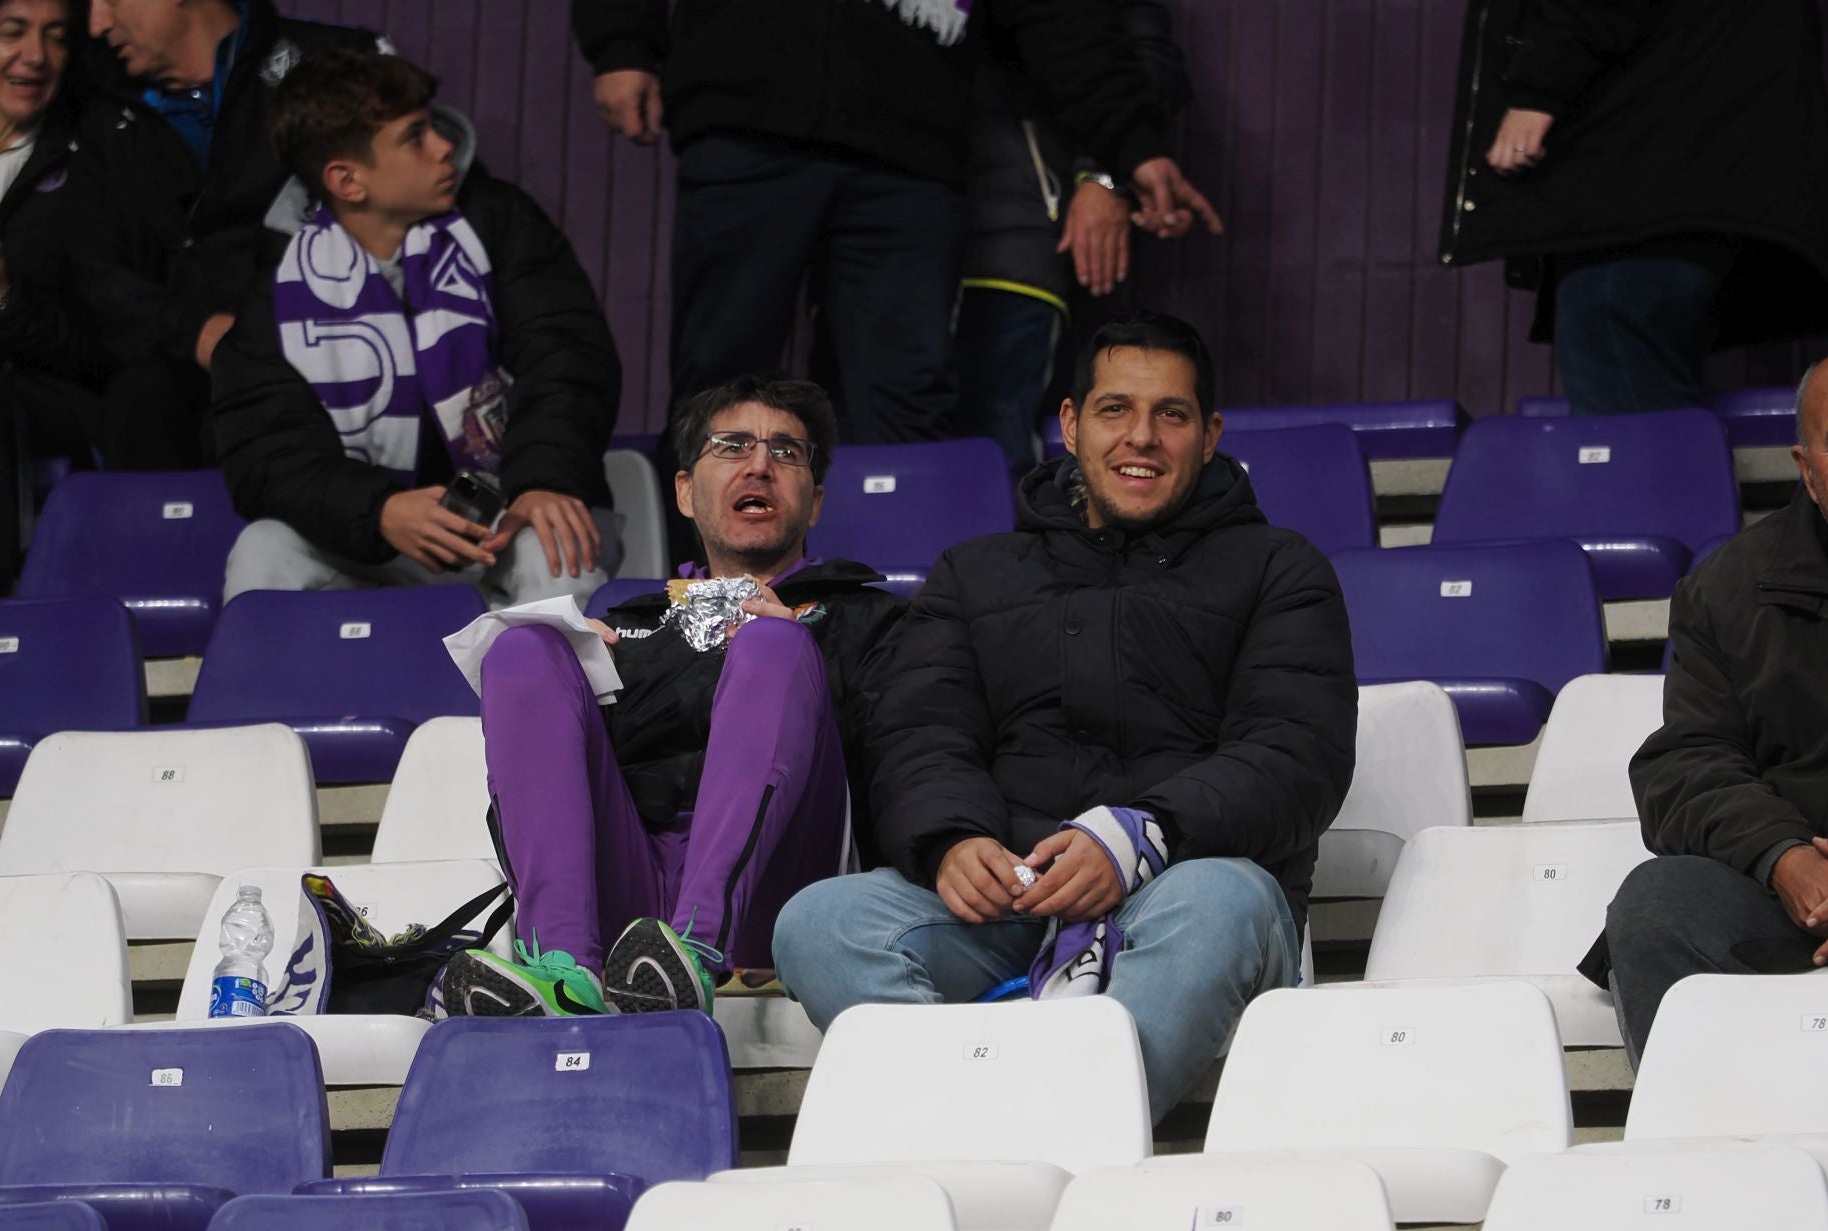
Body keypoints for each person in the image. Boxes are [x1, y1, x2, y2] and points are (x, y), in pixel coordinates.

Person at [772, 313, 1357, 1120]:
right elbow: (918, 736)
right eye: (1115, 410)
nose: (1141, 438)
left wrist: (1140, 836)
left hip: (1184, 893)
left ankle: (1067, 1131)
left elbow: (1297, 755)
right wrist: (951, 839)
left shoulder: (1280, 569)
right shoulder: (973, 574)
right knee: (820, 923)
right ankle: (976, 1126)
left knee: (1225, 901)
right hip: (1010, 898)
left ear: (1210, 434)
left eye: (1172, 415)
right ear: (1073, 425)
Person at [572, 0, 1221, 507]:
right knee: (717, 381)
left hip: (910, 154)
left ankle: (895, 627)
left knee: (903, 403)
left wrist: (1128, 148)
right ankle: (696, 612)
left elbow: (1062, 17)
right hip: (747, 111)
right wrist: (622, 40)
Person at [441, 373, 907, 1019]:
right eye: (732, 446)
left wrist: (799, 647)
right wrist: (602, 675)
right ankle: (563, 968)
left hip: (782, 883)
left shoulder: (870, 617)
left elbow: (904, 762)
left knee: (773, 646)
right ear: (686, 491)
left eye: (786, 452)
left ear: (816, 500)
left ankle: (696, 949)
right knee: (524, 646)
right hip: (630, 874)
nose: (760, 466)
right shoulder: (626, 620)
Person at [210, 49, 621, 604]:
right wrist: (378, 510)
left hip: (514, 516)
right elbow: (267, 453)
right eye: (415, 137)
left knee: (557, 547)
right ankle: (268, 696)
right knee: (265, 549)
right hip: (381, 538)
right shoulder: (280, 292)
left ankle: (547, 695)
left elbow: (567, 357)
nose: (445, 146)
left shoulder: (500, 224)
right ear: (347, 180)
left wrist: (543, 479)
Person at [1596, 346, 1828, 1063]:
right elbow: (1687, 766)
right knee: (1658, 907)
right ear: (1808, 472)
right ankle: (1704, 1151)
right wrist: (1782, 857)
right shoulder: (1727, 589)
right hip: (1796, 899)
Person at [1441, 0, 1828, 416]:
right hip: (1690, 154)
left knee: (1613, 345)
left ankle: (1651, 484)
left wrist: (1537, 89)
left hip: (1648, 167)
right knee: (1627, 365)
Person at [80, 0, 384, 469]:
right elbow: (97, 275)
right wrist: (198, 332)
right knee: (141, 400)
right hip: (182, 367)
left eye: (108, 0)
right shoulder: (102, 115)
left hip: (329, 348)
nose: (96, 23)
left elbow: (417, 203)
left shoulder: (336, 64)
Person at [954, 0, 1196, 472]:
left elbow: (1145, 54)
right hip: (878, 221)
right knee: (873, 444)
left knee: (991, 440)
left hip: (1012, 222)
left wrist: (1105, 174)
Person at [0, 0, 104, 596]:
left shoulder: (91, 160)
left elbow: (101, 341)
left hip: (34, 391)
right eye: (13, 33)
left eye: (55, 37)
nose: (35, 56)